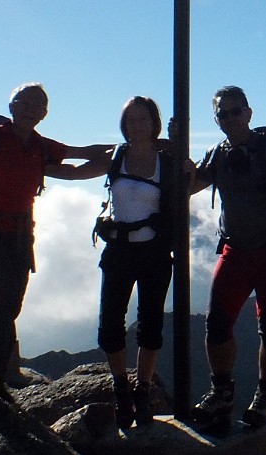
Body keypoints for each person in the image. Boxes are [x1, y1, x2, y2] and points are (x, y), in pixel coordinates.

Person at [0, 83, 109, 399]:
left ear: (45, 114)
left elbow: (79, 157)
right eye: (26, 102)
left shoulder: (38, 146)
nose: (32, 109)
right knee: (3, 287)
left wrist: (129, 150)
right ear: (12, 106)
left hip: (19, 233)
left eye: (39, 105)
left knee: (12, 297)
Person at [185, 85, 266, 429]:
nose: (231, 118)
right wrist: (174, 151)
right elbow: (191, 185)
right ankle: (222, 392)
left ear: (249, 113)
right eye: (223, 113)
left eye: (236, 111)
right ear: (217, 119)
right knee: (217, 323)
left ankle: (264, 396)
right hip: (235, 250)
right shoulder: (217, 154)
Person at [50, 96, 174, 431]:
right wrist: (32, 165)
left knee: (150, 327)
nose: (136, 125)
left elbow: (192, 181)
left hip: (154, 254)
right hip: (119, 252)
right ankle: (122, 388)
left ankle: (142, 391)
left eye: (142, 119)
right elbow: (75, 173)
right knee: (110, 326)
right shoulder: (116, 156)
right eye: (130, 120)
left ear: (153, 122)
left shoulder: (168, 160)